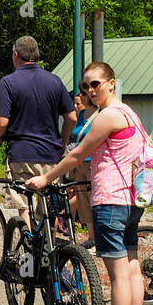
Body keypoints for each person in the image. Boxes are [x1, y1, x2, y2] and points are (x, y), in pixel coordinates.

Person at [27, 61, 149, 305]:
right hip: (134, 199)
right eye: (85, 86)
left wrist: (46, 178)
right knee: (133, 268)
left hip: (111, 200)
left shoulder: (107, 116)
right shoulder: (129, 112)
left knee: (119, 275)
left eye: (96, 84)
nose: (90, 91)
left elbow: (77, 154)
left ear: (111, 83)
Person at [0, 36, 76, 227]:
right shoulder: (54, 81)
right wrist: (62, 141)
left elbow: (1, 122)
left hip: (21, 153)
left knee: (25, 206)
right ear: (36, 56)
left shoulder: (8, 82)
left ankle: (29, 250)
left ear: (16, 55)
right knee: (48, 207)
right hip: (51, 155)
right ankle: (47, 251)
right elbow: (72, 118)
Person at [66, 90, 95, 247]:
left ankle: (98, 238)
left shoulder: (98, 114)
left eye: (79, 101)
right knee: (83, 200)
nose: (76, 106)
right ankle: (91, 238)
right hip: (80, 163)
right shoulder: (81, 115)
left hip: (92, 161)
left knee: (93, 198)